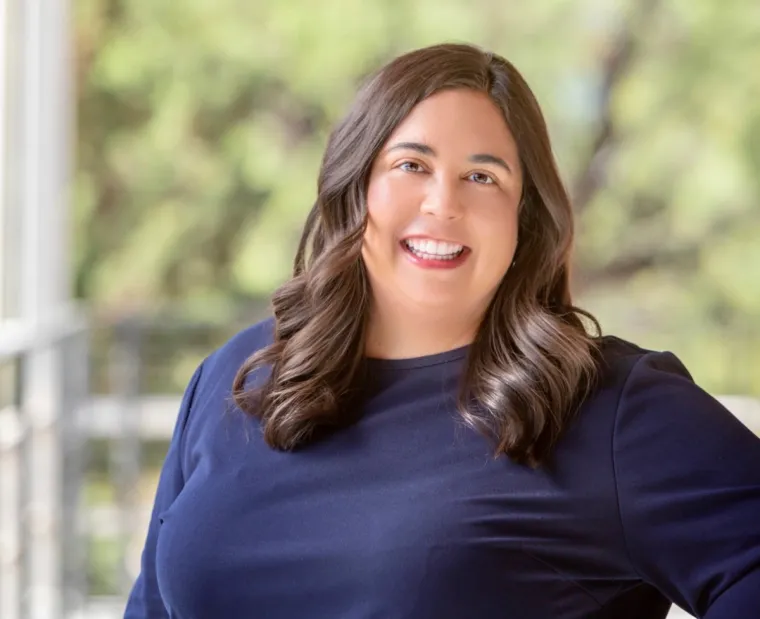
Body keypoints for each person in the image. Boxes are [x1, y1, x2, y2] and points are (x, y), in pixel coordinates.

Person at [124, 43, 760, 619]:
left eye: (483, 177)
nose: (443, 204)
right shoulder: (237, 377)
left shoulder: (607, 409)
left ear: (524, 219)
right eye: (411, 165)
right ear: (357, 187)